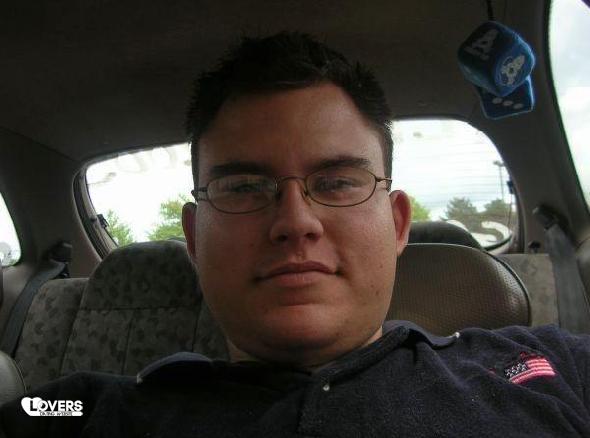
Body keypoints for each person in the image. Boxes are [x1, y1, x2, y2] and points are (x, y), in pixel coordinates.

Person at [1, 31, 590, 437]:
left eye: (336, 183)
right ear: (195, 239)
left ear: (396, 223)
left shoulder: (545, 368)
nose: (295, 223)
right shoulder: (83, 411)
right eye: (243, 187)